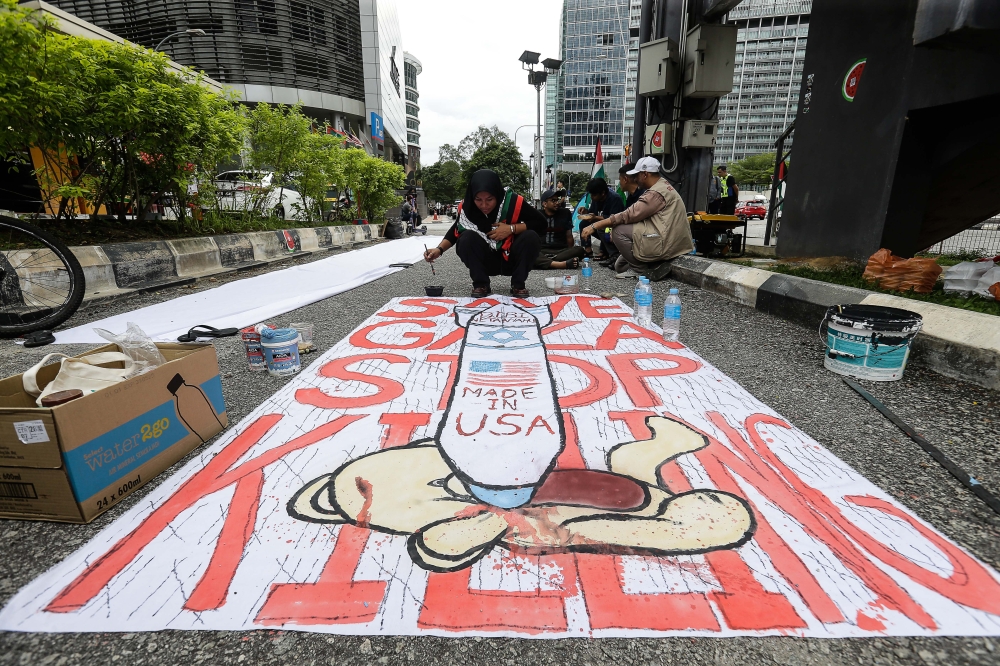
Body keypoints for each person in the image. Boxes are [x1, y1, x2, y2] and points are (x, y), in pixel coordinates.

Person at [423, 169, 544, 297]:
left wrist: (511, 229)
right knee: (466, 238)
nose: (484, 205)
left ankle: (518, 284)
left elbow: (541, 223)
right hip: (485, 260)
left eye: (490, 199)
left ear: (497, 194)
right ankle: (481, 284)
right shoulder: (468, 208)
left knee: (530, 237)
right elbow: (456, 230)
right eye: (478, 200)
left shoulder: (513, 202)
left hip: (511, 258)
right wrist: (439, 250)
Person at [580, 156, 694, 281]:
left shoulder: (655, 193)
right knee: (620, 266)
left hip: (666, 242)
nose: (635, 179)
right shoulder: (661, 186)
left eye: (636, 175)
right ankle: (645, 265)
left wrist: (594, 226)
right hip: (666, 236)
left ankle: (644, 271)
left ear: (645, 174)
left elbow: (627, 215)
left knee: (618, 230)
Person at [535, 187, 585, 270]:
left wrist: (570, 251)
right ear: (544, 204)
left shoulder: (565, 213)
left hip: (560, 251)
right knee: (528, 252)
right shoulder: (537, 215)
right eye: (553, 201)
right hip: (542, 250)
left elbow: (569, 235)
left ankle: (544, 262)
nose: (557, 203)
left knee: (580, 250)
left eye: (557, 200)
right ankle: (561, 264)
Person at [578, 177, 625, 263]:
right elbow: (593, 214)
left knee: (603, 228)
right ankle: (588, 250)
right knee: (583, 224)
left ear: (603, 193)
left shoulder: (615, 199)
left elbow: (614, 219)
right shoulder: (596, 200)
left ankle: (612, 254)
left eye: (594, 195)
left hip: (614, 228)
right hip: (601, 226)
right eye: (591, 195)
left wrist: (595, 218)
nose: (592, 197)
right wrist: (586, 212)